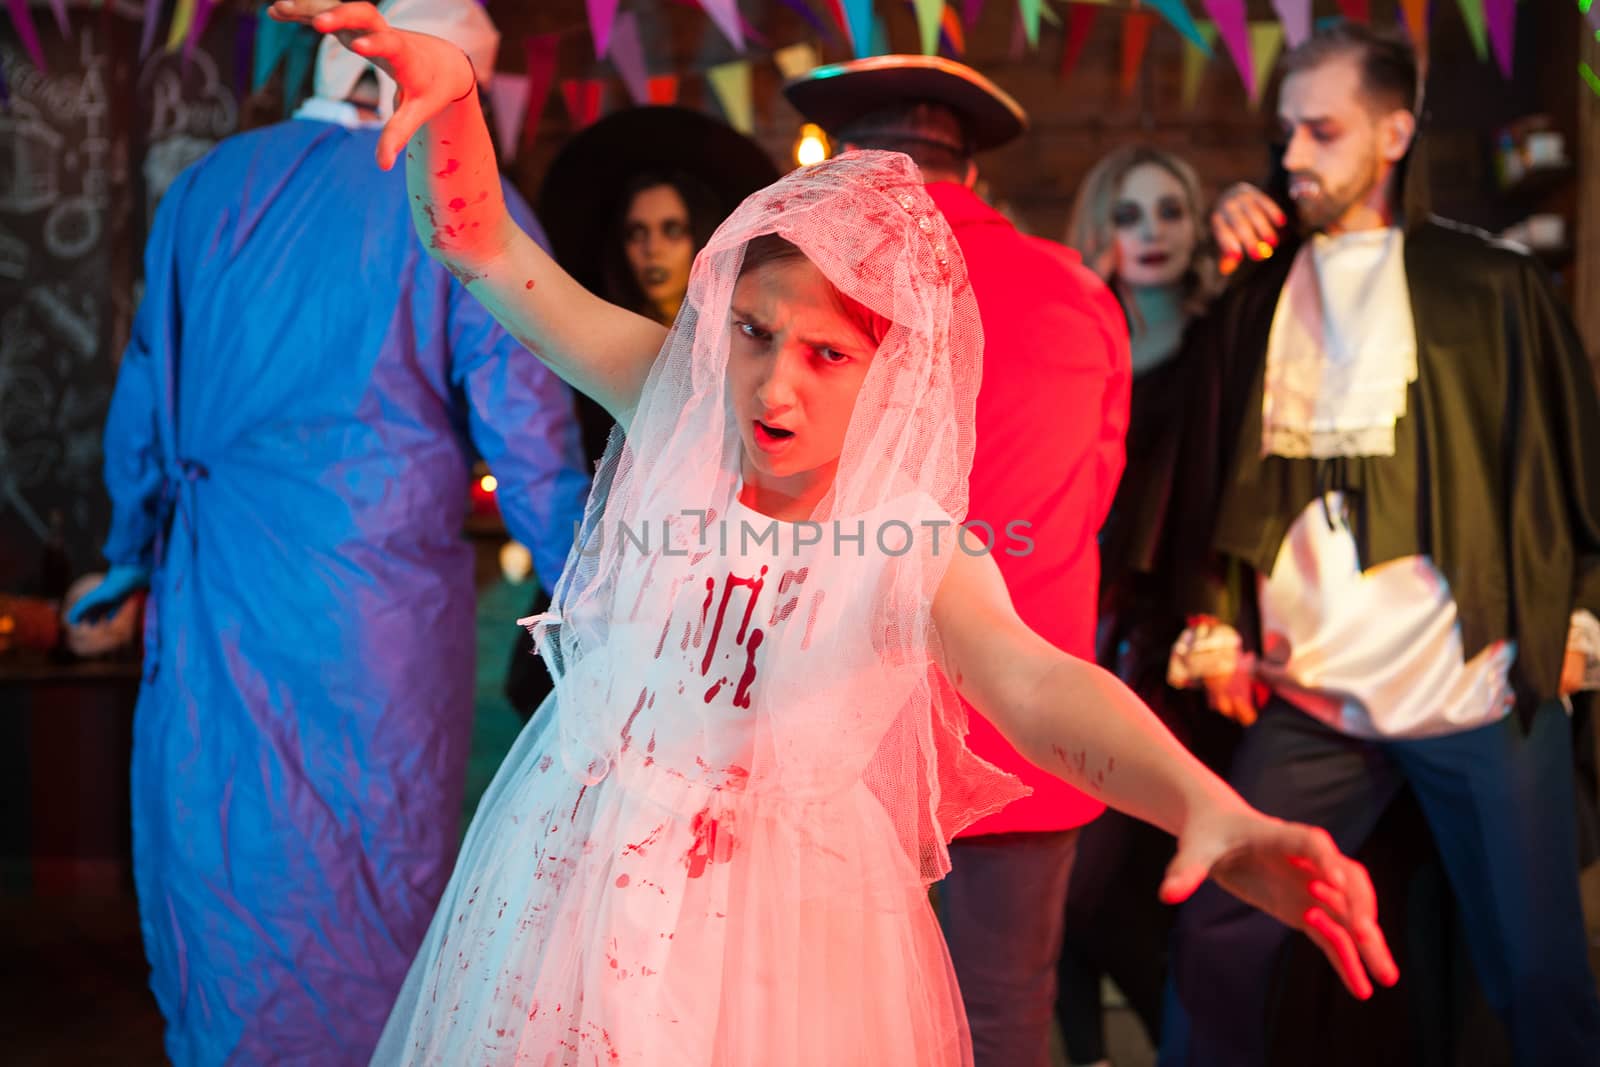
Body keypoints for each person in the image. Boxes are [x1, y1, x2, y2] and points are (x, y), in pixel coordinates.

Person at [270, 3, 1398, 1063]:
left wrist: (1207, 802)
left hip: (786, 929)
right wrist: (457, 102)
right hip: (585, 874)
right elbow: (486, 254)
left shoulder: (903, 539)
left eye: (827, 353)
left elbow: (1038, 686)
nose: (773, 380)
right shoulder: (681, 403)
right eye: (755, 330)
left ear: (893, 376)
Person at [66, 0, 589, 1060]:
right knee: (375, 889)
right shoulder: (462, 200)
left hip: (212, 597)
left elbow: (143, 410)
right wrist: (602, 597)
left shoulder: (210, 187)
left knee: (219, 875)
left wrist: (126, 560)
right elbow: (532, 442)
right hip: (373, 631)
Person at [1160, 23, 1600, 1066]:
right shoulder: (1260, 290)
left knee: (1537, 966)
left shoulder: (1486, 286)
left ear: (1394, 131)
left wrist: (1577, 611)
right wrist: (1214, 618)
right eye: (1286, 132)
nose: (1298, 154)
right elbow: (1219, 471)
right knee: (1219, 930)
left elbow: (1562, 471)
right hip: (1312, 693)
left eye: (1324, 129)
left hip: (1474, 679)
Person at [781, 55, 1132, 1065]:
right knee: (1002, 1018)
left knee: (831, 1020)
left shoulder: (818, 286)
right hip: (1025, 731)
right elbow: (1094, 492)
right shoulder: (1077, 293)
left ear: (851, 169)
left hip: (847, 725)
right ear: (969, 172)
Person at [1055, 144, 1239, 1066]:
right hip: (1090, 634)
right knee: (1078, 884)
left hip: (1198, 645)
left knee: (1168, 880)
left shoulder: (1224, 337)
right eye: (1130, 215)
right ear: (1102, 229)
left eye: (1170, 210)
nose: (1153, 232)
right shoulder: (1083, 340)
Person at [504, 109, 779, 720]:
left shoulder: (743, 346)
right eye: (638, 232)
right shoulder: (593, 351)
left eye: (671, 229)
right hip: (602, 582)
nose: (653, 248)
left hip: (716, 593)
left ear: (698, 237)